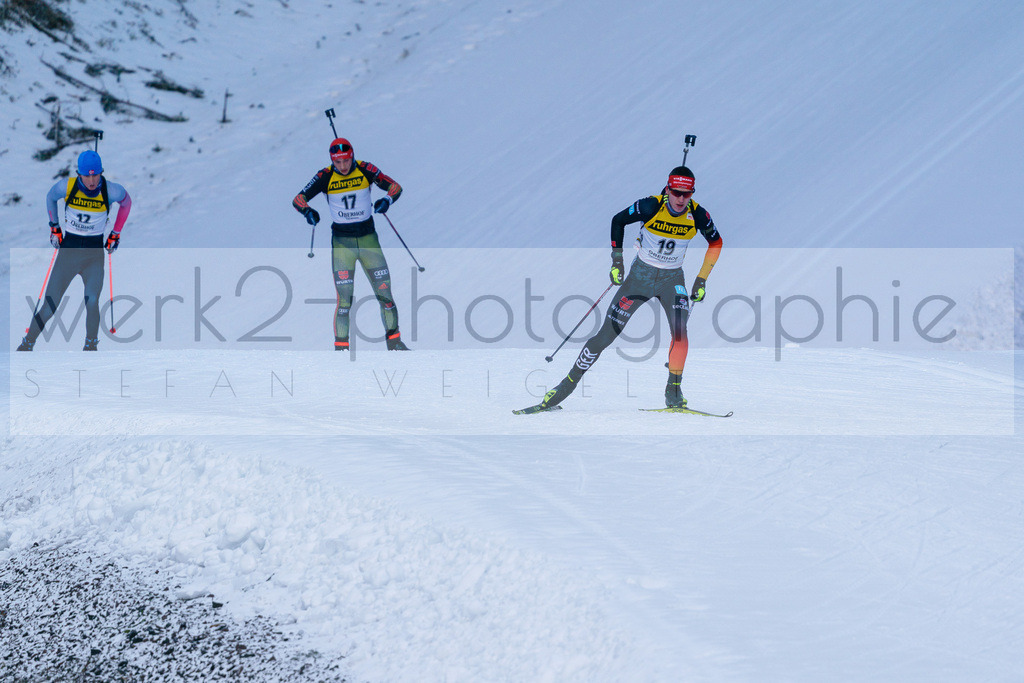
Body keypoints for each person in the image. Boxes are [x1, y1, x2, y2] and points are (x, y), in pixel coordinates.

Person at [523, 165, 723, 412]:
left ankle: (674, 392)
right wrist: (617, 261)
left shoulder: (699, 215)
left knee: (680, 333)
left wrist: (701, 279)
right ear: (668, 189)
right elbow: (618, 220)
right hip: (639, 278)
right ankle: (563, 388)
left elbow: (716, 242)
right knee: (605, 336)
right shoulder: (651, 206)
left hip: (673, 280)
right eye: (676, 192)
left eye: (687, 194)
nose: (681, 199)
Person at [293, 137, 410, 350]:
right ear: (332, 161)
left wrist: (387, 200)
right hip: (342, 243)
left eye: (346, 161)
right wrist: (307, 211)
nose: (343, 166)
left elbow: (395, 186)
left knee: (385, 294)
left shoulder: (365, 169)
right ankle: (341, 349)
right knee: (344, 301)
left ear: (352, 155)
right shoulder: (325, 175)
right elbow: (299, 199)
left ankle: (395, 344)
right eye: (337, 162)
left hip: (368, 240)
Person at [17, 150, 131, 351]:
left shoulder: (110, 190)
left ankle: (90, 348)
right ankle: (27, 344)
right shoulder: (67, 186)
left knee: (92, 300)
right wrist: (54, 227)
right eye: (87, 175)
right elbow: (50, 197)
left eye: (96, 175)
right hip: (68, 252)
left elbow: (126, 202)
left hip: (94, 255)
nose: (92, 180)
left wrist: (116, 233)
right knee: (50, 306)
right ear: (79, 174)